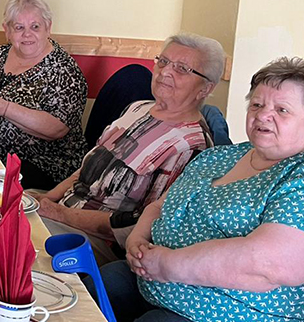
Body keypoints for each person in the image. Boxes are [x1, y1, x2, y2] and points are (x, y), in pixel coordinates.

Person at [98, 57, 304, 322]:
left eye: (282, 110)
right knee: (82, 298)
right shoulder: (221, 157)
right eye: (258, 104)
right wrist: (138, 236)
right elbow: (163, 205)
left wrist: (167, 264)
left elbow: (268, 265)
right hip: (163, 285)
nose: (264, 115)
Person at [36, 33, 224, 265]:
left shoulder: (191, 146)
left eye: (182, 69)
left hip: (97, 241)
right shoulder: (138, 108)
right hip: (62, 211)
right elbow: (90, 167)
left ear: (205, 88)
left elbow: (137, 224)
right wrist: (46, 198)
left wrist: (59, 214)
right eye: (163, 61)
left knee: (14, 238)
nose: (165, 71)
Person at [0, 0, 88, 189]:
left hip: (39, 165)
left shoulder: (64, 70)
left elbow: (58, 128)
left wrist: (6, 109)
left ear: (48, 27)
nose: (27, 34)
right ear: (7, 30)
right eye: (19, 27)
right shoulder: (1, 53)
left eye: (35, 26)